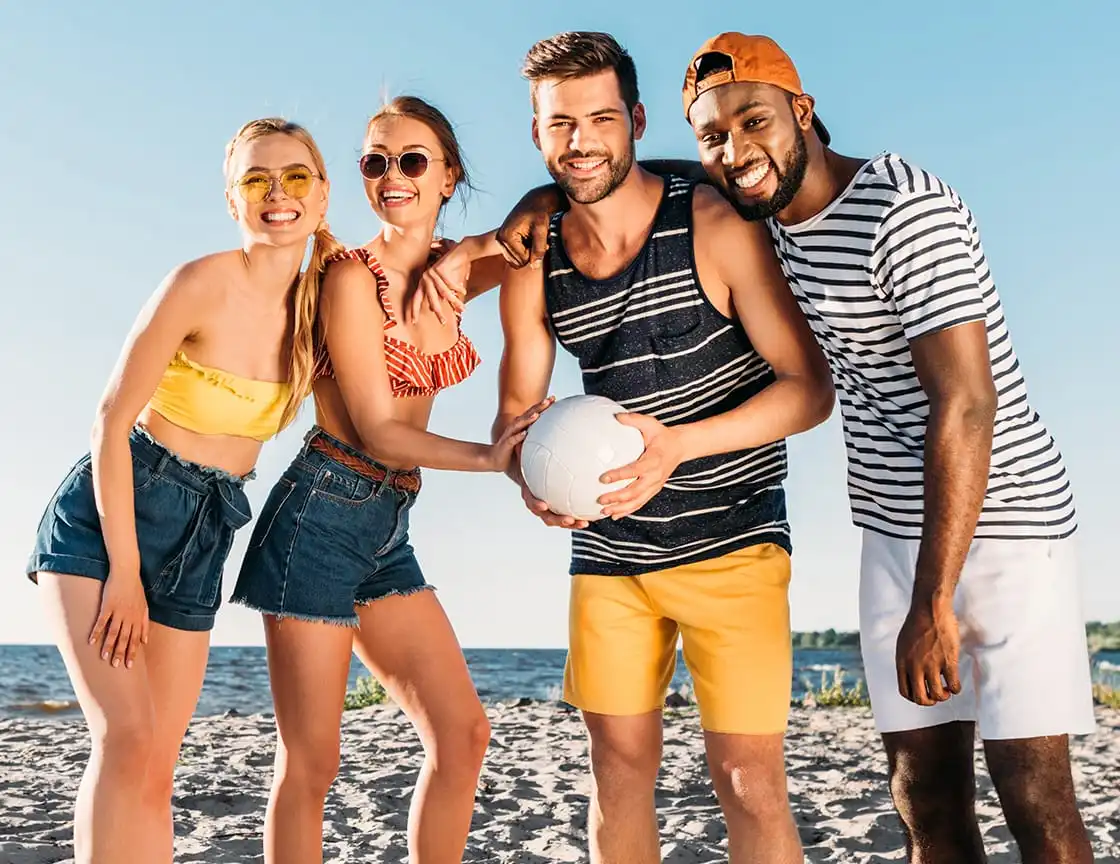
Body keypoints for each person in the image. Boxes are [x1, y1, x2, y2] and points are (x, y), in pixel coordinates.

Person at [499, 30, 1098, 864]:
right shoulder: (763, 213)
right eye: (716, 135)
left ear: (803, 111)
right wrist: (539, 201)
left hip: (1005, 527)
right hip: (891, 529)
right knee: (924, 800)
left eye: (755, 123)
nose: (737, 151)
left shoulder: (903, 210)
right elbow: (637, 177)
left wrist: (936, 601)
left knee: (1035, 797)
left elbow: (965, 408)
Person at [475, 31, 834, 864]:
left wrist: (677, 448)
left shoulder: (709, 222)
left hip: (734, 541)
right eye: (560, 123)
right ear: (536, 134)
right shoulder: (537, 260)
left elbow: (807, 389)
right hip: (610, 553)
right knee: (618, 772)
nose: (582, 140)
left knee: (747, 778)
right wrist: (529, 475)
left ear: (635, 119)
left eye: (602, 117)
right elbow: (516, 414)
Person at [230, 96, 547, 864]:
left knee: (464, 733)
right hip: (319, 515)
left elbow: (552, 220)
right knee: (312, 764)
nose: (392, 175)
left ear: (448, 174)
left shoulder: (452, 271)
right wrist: (494, 457)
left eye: (412, 160)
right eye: (376, 162)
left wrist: (467, 245)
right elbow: (379, 429)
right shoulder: (348, 276)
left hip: (386, 524)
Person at [25, 117, 337, 864]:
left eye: (295, 176)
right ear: (233, 201)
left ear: (322, 194)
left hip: (208, 530)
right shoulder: (199, 283)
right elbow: (109, 421)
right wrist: (125, 573)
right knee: (126, 742)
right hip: (112, 517)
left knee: (158, 772)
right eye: (256, 180)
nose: (277, 194)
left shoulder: (321, 306)